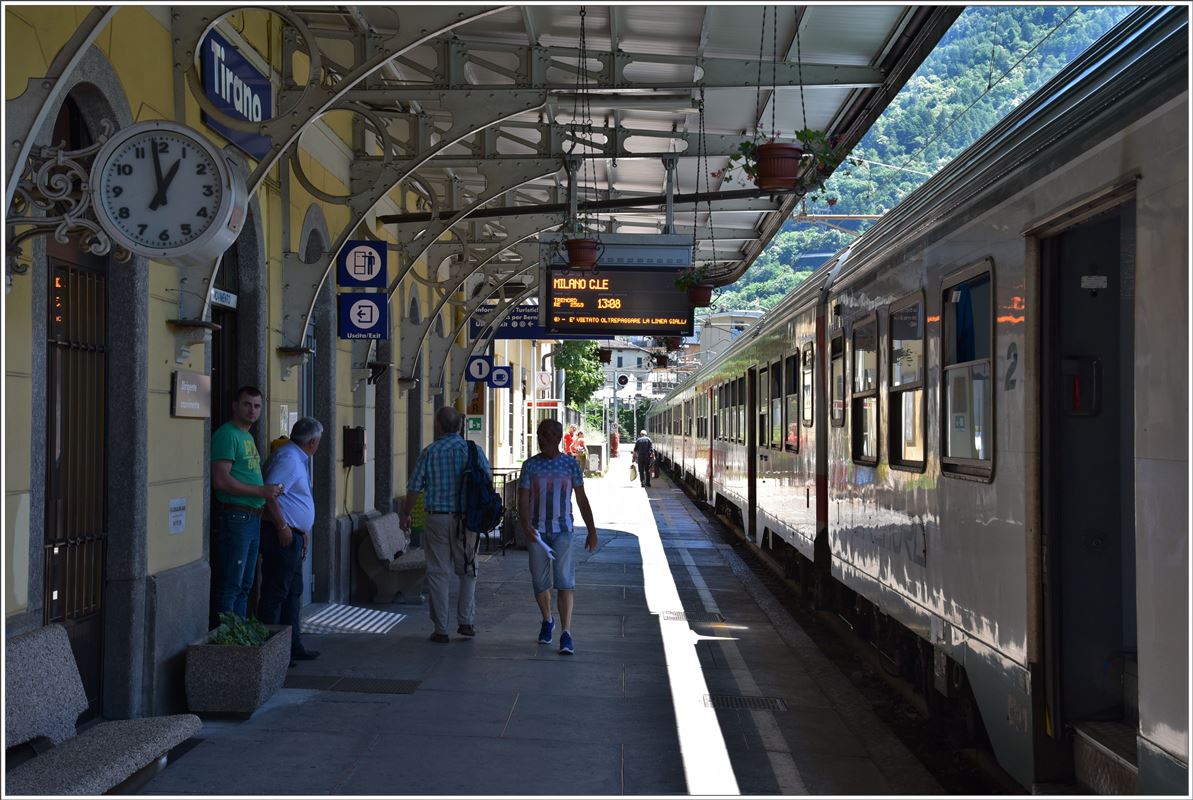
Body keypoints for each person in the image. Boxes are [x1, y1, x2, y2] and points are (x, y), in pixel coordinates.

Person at [401, 406, 491, 643]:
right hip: (467, 520)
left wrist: (406, 514)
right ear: (460, 427)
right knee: (468, 571)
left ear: (439, 426)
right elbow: (487, 481)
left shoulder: (430, 452)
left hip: (437, 518)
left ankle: (441, 629)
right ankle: (466, 622)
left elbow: (413, 487)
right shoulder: (473, 450)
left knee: (438, 573)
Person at [518, 418, 598, 655]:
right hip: (537, 532)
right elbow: (522, 498)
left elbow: (581, 499)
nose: (541, 439)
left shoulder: (570, 465)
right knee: (540, 582)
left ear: (556, 438)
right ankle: (547, 619)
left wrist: (592, 531)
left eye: (545, 435)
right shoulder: (530, 466)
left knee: (565, 582)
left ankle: (566, 633)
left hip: (563, 530)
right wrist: (525, 525)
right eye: (539, 434)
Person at [211, 386, 283, 618]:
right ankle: (226, 641)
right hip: (236, 516)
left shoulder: (248, 436)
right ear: (235, 405)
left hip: (252, 517)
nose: (252, 410)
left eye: (257, 406)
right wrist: (261, 491)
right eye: (247, 404)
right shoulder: (227, 434)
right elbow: (221, 481)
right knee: (232, 583)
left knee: (245, 584)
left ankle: (239, 639)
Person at [260, 417, 322, 665]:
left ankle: (291, 645)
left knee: (293, 592)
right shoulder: (288, 457)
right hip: (281, 536)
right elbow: (269, 492)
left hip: (293, 535)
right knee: (277, 592)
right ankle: (271, 652)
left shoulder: (295, 456)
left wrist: (300, 528)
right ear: (313, 441)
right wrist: (283, 525)